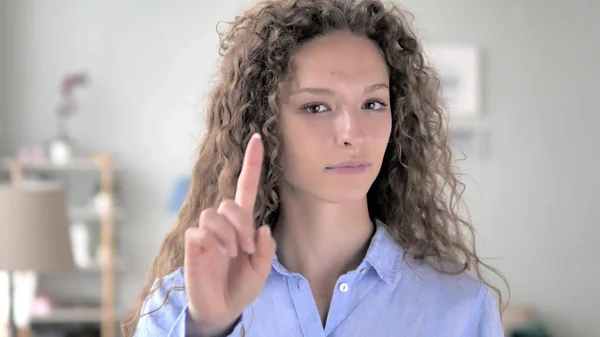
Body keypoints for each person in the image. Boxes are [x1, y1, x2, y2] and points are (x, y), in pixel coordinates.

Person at [122, 0, 508, 336]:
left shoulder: (459, 309)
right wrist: (208, 329)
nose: (352, 133)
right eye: (316, 107)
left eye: (373, 104)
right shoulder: (184, 309)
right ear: (265, 124)